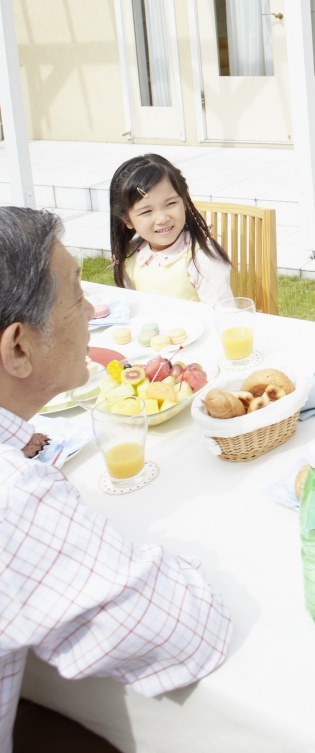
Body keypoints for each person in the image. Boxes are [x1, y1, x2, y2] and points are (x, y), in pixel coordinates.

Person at [0, 207, 232, 753]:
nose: (92, 310)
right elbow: (192, 633)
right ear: (18, 348)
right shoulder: (16, 500)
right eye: (78, 296)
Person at [110, 154, 233, 305]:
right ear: (127, 220)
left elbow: (223, 315)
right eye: (146, 211)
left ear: (184, 200)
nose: (162, 219)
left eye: (170, 204)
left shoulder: (202, 259)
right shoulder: (130, 256)